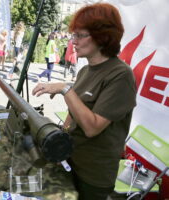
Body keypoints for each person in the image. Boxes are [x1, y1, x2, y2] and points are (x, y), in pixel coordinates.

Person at [32, 3, 137, 200]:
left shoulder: (121, 75)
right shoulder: (85, 70)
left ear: (102, 37)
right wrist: (59, 143)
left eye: (80, 35)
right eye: (74, 35)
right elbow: (73, 115)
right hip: (70, 161)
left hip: (93, 174)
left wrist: (65, 89)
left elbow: (92, 127)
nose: (74, 42)